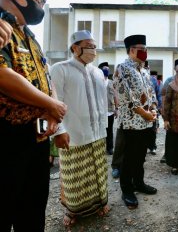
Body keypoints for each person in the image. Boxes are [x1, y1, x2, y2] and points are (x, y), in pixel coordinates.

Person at [0, 0, 68, 230]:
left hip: (36, 139)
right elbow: (2, 76)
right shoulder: (2, 26)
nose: (42, 0)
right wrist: (50, 105)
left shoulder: (30, 36)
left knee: (32, 211)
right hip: (7, 141)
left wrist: (52, 111)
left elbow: (46, 79)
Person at [50, 30, 109, 226]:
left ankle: (99, 204)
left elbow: (102, 102)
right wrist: (59, 131)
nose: (93, 50)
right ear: (75, 48)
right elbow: (54, 101)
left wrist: (104, 128)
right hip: (73, 133)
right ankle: (72, 211)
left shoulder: (98, 72)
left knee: (97, 173)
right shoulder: (60, 69)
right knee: (74, 177)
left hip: (98, 132)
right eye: (88, 46)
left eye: (94, 46)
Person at [114, 34, 158, 209]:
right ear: (131, 50)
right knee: (129, 157)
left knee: (140, 156)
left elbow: (151, 92)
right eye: (141, 49)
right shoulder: (122, 68)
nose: (144, 52)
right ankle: (127, 190)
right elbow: (126, 97)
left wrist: (153, 109)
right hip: (132, 122)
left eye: (146, 49)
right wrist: (143, 113)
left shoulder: (144, 70)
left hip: (146, 122)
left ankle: (139, 183)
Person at [159, 58, 178, 163]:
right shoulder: (169, 80)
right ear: (175, 69)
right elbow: (164, 96)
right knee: (170, 134)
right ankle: (167, 154)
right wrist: (164, 112)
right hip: (171, 113)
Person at [99, 61, 119, 155]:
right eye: (104, 69)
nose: (106, 70)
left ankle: (110, 147)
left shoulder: (111, 83)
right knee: (100, 130)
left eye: (107, 69)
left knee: (109, 130)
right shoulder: (97, 82)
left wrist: (117, 109)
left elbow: (115, 96)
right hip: (99, 111)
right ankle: (100, 148)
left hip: (110, 111)